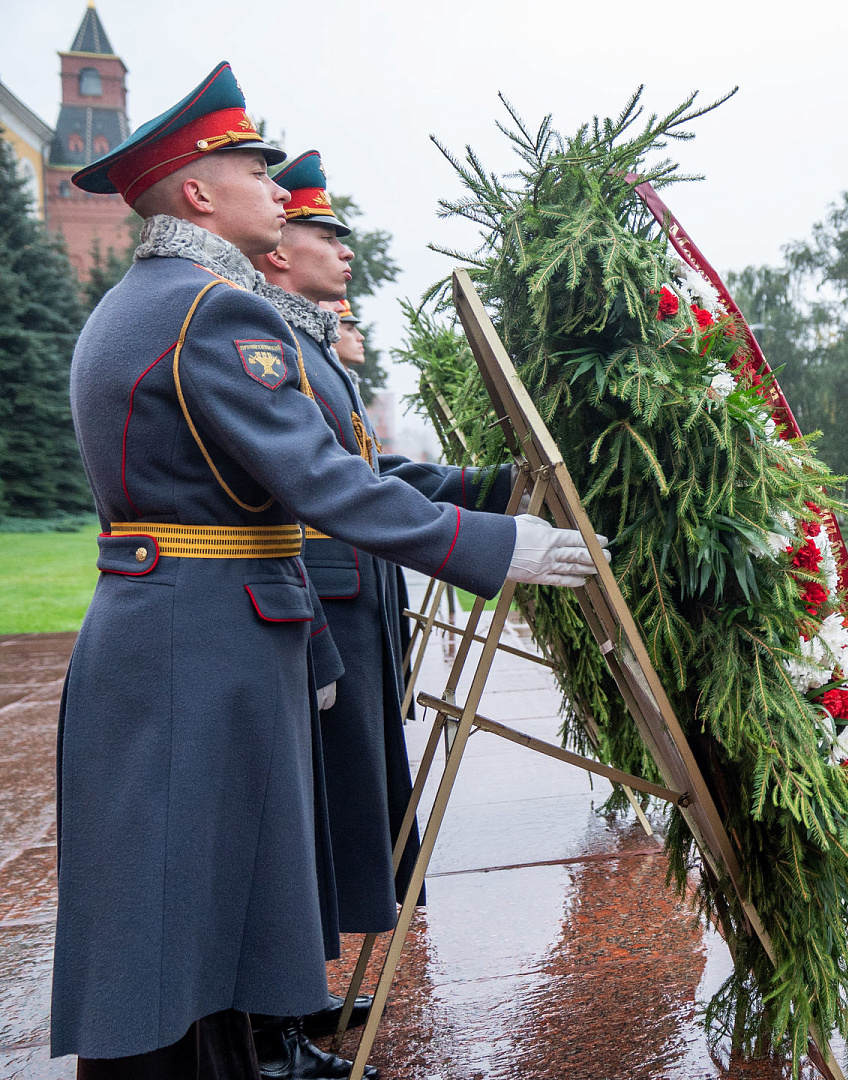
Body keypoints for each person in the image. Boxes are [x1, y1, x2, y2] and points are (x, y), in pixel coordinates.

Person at [55, 62, 598, 1077]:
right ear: (199, 194)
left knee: (204, 882)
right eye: (254, 169)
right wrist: (495, 546)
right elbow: (323, 482)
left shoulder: (162, 299)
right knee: (194, 879)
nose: (276, 187)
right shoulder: (209, 310)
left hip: (190, 620)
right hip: (200, 631)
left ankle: (239, 1054)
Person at [250, 151, 519, 1076]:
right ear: (278, 247)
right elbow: (323, 489)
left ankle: (288, 1003)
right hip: (304, 605)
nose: (344, 251)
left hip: (337, 600)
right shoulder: (272, 341)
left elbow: (366, 472)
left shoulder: (300, 341)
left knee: (332, 813)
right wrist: (490, 535)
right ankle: (272, 1023)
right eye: (325, 232)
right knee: (305, 816)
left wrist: (482, 490)